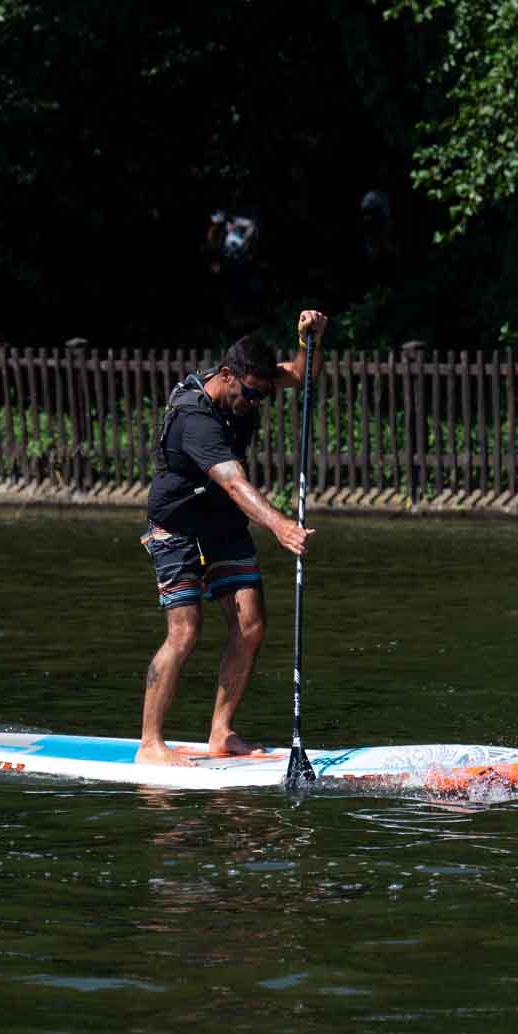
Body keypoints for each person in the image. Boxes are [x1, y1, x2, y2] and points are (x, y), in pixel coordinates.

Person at [137, 309, 328, 766]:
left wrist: (310, 340)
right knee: (185, 631)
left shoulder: (249, 378)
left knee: (251, 626)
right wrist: (280, 526)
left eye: (263, 394)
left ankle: (220, 733)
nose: (256, 402)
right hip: (177, 527)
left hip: (222, 524)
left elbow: (301, 373)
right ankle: (150, 744)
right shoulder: (195, 419)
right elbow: (235, 484)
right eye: (251, 394)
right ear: (227, 376)